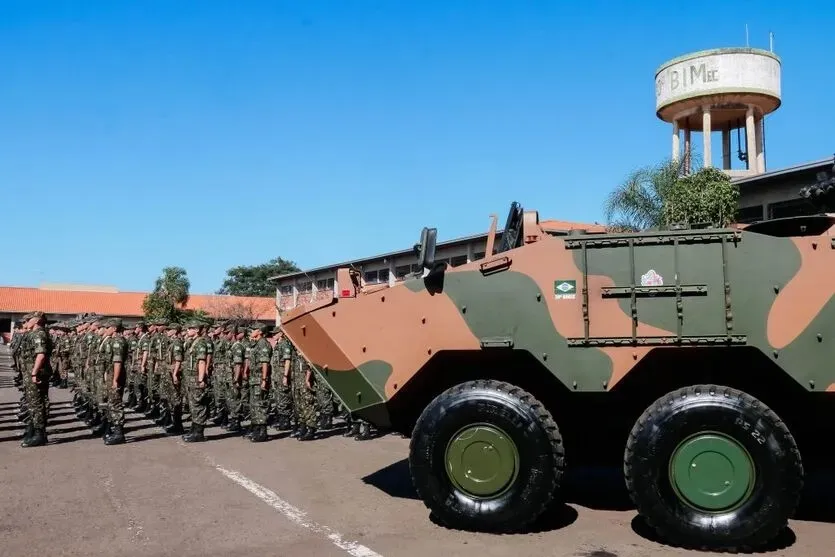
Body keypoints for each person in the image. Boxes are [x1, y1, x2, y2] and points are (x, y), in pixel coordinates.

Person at [245, 322, 272, 442]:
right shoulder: (256, 344)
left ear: (260, 331)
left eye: (253, 329)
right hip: (254, 379)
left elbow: (265, 363)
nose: (251, 331)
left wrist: (264, 379)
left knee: (260, 405)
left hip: (260, 378)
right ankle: (256, 429)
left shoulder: (263, 344)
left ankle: (262, 432)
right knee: (254, 405)